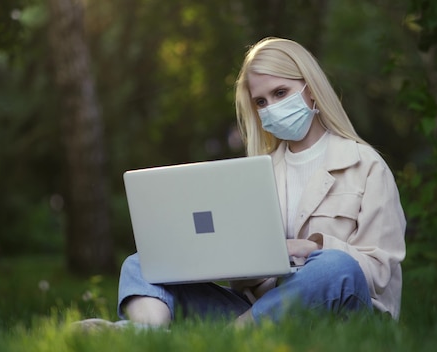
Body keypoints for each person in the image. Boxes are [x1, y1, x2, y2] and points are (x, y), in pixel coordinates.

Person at [74, 37, 406, 331]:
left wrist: (314, 247)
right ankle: (147, 335)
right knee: (146, 261)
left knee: (336, 266)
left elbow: (378, 273)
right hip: (258, 311)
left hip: (338, 317)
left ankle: (228, 339)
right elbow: (244, 278)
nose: (272, 108)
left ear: (311, 88)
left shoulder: (366, 166)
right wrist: (230, 262)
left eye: (280, 93)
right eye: (261, 102)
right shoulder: (255, 174)